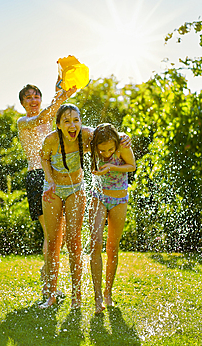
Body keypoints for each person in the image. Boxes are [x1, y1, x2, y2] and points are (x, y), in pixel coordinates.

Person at [39, 105, 132, 309]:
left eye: (76, 120)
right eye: (67, 121)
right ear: (58, 125)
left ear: (81, 122)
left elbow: (108, 134)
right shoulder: (52, 140)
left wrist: (124, 136)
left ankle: (76, 295)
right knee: (54, 241)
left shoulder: (87, 136)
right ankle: (51, 294)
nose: (72, 125)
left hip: (75, 189)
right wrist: (49, 179)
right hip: (52, 189)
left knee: (74, 240)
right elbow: (43, 157)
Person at [17, 82, 76, 294]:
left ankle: (47, 275)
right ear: (23, 103)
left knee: (60, 235)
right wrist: (60, 98)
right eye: (28, 98)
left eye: (36, 97)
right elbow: (43, 117)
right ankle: (49, 285)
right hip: (37, 177)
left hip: (54, 176)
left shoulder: (48, 119)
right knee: (52, 235)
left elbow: (54, 114)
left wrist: (62, 89)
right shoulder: (23, 122)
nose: (33, 101)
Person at [89, 123, 136, 314]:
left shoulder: (122, 144)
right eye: (103, 150)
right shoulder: (91, 146)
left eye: (110, 149)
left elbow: (131, 166)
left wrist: (110, 167)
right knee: (96, 243)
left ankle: (108, 293)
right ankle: (97, 296)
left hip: (119, 199)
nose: (107, 153)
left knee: (112, 247)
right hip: (99, 197)